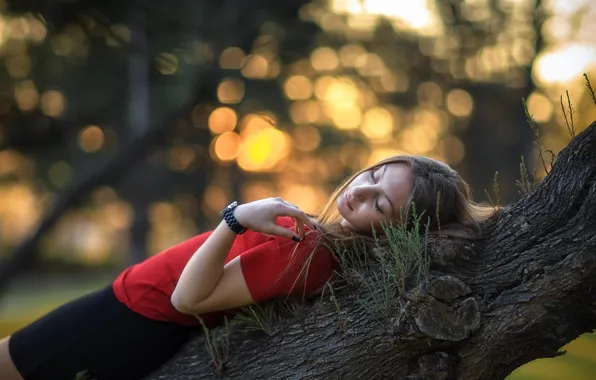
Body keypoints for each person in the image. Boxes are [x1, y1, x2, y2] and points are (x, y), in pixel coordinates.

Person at [0, 155, 495, 380]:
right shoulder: (315, 241)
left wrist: (234, 219)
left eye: (380, 204)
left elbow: (187, 299)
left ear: (394, 232)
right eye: (374, 175)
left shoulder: (308, 254)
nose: (361, 190)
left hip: (131, 317)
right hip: (132, 307)